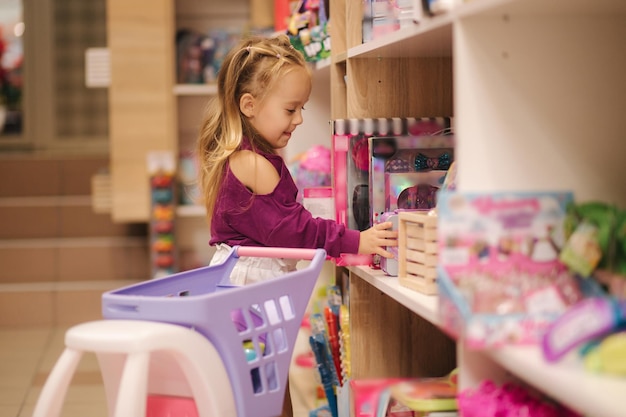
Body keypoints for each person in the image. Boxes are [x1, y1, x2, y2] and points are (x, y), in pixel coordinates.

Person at [196, 34, 397, 416]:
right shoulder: (253, 164)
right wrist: (358, 240)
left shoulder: (248, 158)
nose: (300, 119)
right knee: (265, 395)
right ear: (249, 105)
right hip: (248, 300)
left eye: (302, 108)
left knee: (262, 392)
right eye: (291, 109)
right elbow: (298, 232)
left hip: (244, 295)